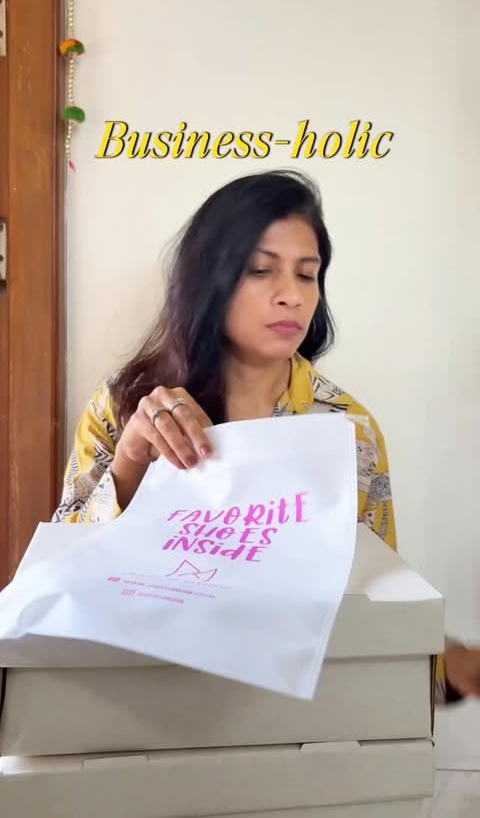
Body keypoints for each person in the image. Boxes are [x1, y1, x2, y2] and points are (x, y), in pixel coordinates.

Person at [53, 169, 480, 704]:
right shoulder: (124, 405)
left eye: (307, 275)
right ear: (209, 278)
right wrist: (131, 463)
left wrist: (439, 670)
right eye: (261, 270)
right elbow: (60, 574)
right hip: (136, 697)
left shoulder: (346, 430)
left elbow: (372, 602)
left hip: (287, 715)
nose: (291, 296)